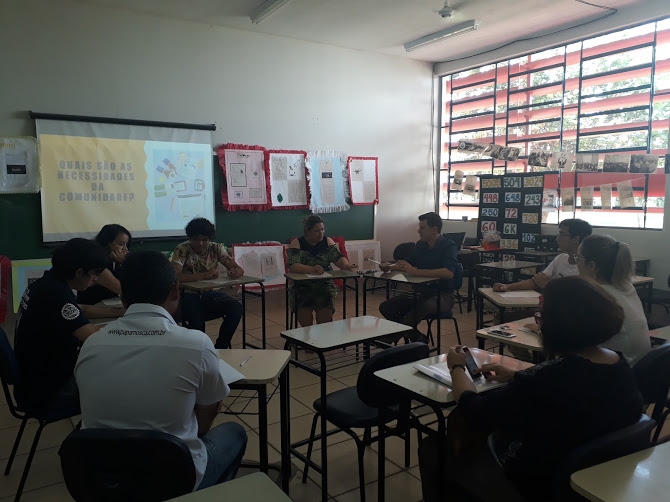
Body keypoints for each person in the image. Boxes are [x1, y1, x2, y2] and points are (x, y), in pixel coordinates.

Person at [418, 277, 643, 502]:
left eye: (541, 317)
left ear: (556, 328)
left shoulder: (545, 381)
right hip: (592, 476)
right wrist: (517, 375)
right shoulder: (619, 365)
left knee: (433, 449)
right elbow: (570, 388)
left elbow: (473, 409)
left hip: (535, 481)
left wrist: (457, 367)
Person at [75, 251, 247, 491]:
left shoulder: (91, 343)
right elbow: (209, 410)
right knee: (234, 433)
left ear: (123, 297)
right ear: (175, 291)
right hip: (173, 478)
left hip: (102, 479)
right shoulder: (196, 344)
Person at [14, 238, 109, 412]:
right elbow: (94, 337)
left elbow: (82, 310)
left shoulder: (49, 282)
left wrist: (121, 312)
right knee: (116, 386)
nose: (96, 279)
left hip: (34, 379)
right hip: (47, 391)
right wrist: (128, 327)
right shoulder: (56, 294)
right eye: (94, 274)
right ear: (79, 272)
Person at [378, 212, 460, 343]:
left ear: (434, 229)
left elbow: (448, 273)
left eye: (422, 228)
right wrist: (390, 267)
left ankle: (390, 338)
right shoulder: (420, 245)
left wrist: (416, 272)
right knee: (386, 307)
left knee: (422, 307)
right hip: (422, 292)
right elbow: (407, 264)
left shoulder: (449, 246)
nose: (418, 231)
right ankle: (417, 337)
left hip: (443, 295)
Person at [576, 235, 650, 365]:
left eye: (578, 259)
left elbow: (573, 339)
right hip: (640, 367)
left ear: (592, 265)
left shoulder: (597, 296)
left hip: (617, 370)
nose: (576, 264)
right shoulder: (627, 287)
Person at [170, 218, 244, 349]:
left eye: (205, 240)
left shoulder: (216, 248)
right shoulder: (182, 249)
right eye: (196, 240)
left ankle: (220, 348)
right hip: (187, 294)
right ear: (189, 238)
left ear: (210, 239)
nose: (201, 244)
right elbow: (175, 276)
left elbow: (238, 269)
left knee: (236, 308)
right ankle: (199, 350)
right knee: (197, 321)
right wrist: (204, 275)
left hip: (209, 293)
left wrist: (235, 272)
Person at [286, 215, 357, 326]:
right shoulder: (297, 243)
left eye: (322, 229)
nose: (321, 233)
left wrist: (346, 264)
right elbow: (293, 265)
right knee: (306, 323)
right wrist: (311, 269)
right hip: (301, 286)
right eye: (317, 231)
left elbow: (338, 257)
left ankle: (322, 334)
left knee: (324, 320)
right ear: (308, 231)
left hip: (324, 285)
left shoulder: (327, 241)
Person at [493, 218, 592, 292]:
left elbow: (576, 297)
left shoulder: (587, 267)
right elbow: (536, 281)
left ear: (575, 239)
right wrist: (507, 286)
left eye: (562, 234)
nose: (557, 238)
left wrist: (547, 285)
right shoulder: (560, 259)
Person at [78, 223, 131, 306]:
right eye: (121, 244)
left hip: (110, 303)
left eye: (126, 245)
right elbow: (121, 289)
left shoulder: (115, 262)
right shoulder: (96, 262)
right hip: (92, 306)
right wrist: (126, 263)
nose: (125, 249)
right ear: (107, 243)